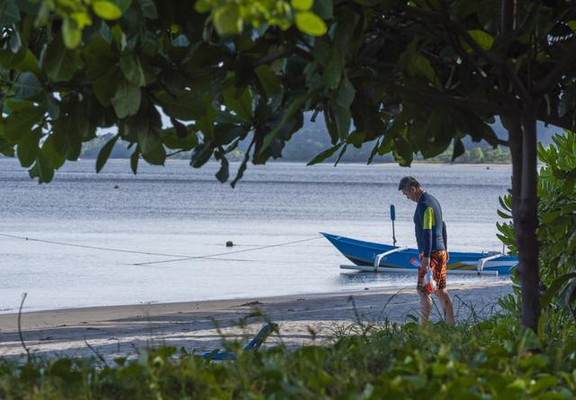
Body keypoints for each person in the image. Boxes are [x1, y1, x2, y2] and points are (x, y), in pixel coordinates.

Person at [398, 176, 455, 324]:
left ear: (412, 189)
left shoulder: (424, 204)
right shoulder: (433, 201)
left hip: (431, 253)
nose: (408, 198)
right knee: (440, 290)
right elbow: (443, 226)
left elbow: (428, 231)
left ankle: (423, 327)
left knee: (422, 290)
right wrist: (446, 249)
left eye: (406, 194)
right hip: (440, 251)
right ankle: (451, 325)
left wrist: (426, 256)